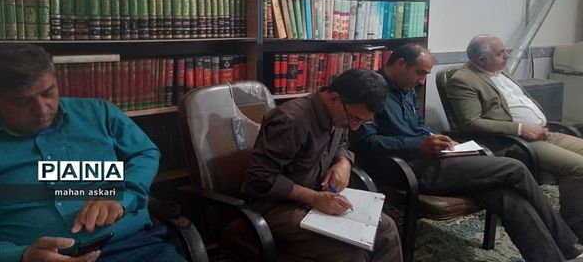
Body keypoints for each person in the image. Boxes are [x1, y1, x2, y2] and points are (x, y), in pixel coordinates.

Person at [350, 43, 583, 262]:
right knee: (515, 169)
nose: (422, 81)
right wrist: (419, 145)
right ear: (400, 64)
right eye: (419, 73)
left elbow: (418, 125)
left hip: (431, 158)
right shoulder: (372, 90)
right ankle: (569, 245)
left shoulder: (407, 87)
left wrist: (435, 138)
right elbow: (368, 143)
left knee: (507, 197)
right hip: (404, 167)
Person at [0, 44, 184, 262]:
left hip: (133, 247)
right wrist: (19, 255)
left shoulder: (99, 113)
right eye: (21, 101)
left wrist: (121, 196)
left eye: (48, 93)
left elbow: (145, 153)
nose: (41, 109)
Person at [242, 69, 402, 262]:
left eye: (364, 121)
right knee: (353, 255)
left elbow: (342, 144)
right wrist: (313, 198)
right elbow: (259, 177)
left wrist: (343, 162)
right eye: (355, 118)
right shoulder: (292, 121)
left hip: (317, 196)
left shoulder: (340, 114)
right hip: (275, 206)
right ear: (334, 98)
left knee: (387, 230)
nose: (355, 127)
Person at [447, 34, 583, 239]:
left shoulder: (502, 71)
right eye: (500, 53)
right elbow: (471, 122)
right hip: (515, 142)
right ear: (481, 60)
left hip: (544, 132)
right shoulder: (463, 80)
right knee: (579, 167)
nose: (507, 56)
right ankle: (572, 223)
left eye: (505, 51)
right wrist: (520, 129)